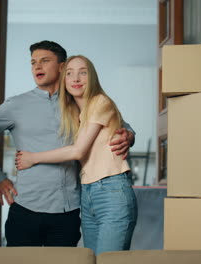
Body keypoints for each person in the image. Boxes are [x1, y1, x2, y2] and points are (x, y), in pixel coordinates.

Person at [0, 41, 135, 247]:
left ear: (61, 66)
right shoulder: (16, 105)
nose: (37, 67)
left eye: (45, 61)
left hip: (68, 212)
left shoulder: (78, 100)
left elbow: (118, 123)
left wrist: (129, 135)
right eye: (33, 63)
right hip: (25, 208)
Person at [15, 55, 138, 255]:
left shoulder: (100, 102)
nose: (76, 78)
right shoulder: (77, 114)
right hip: (87, 195)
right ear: (64, 80)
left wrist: (33, 158)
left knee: (107, 261)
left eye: (83, 72)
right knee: (92, 260)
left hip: (112, 191)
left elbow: (78, 151)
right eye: (70, 74)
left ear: (93, 77)